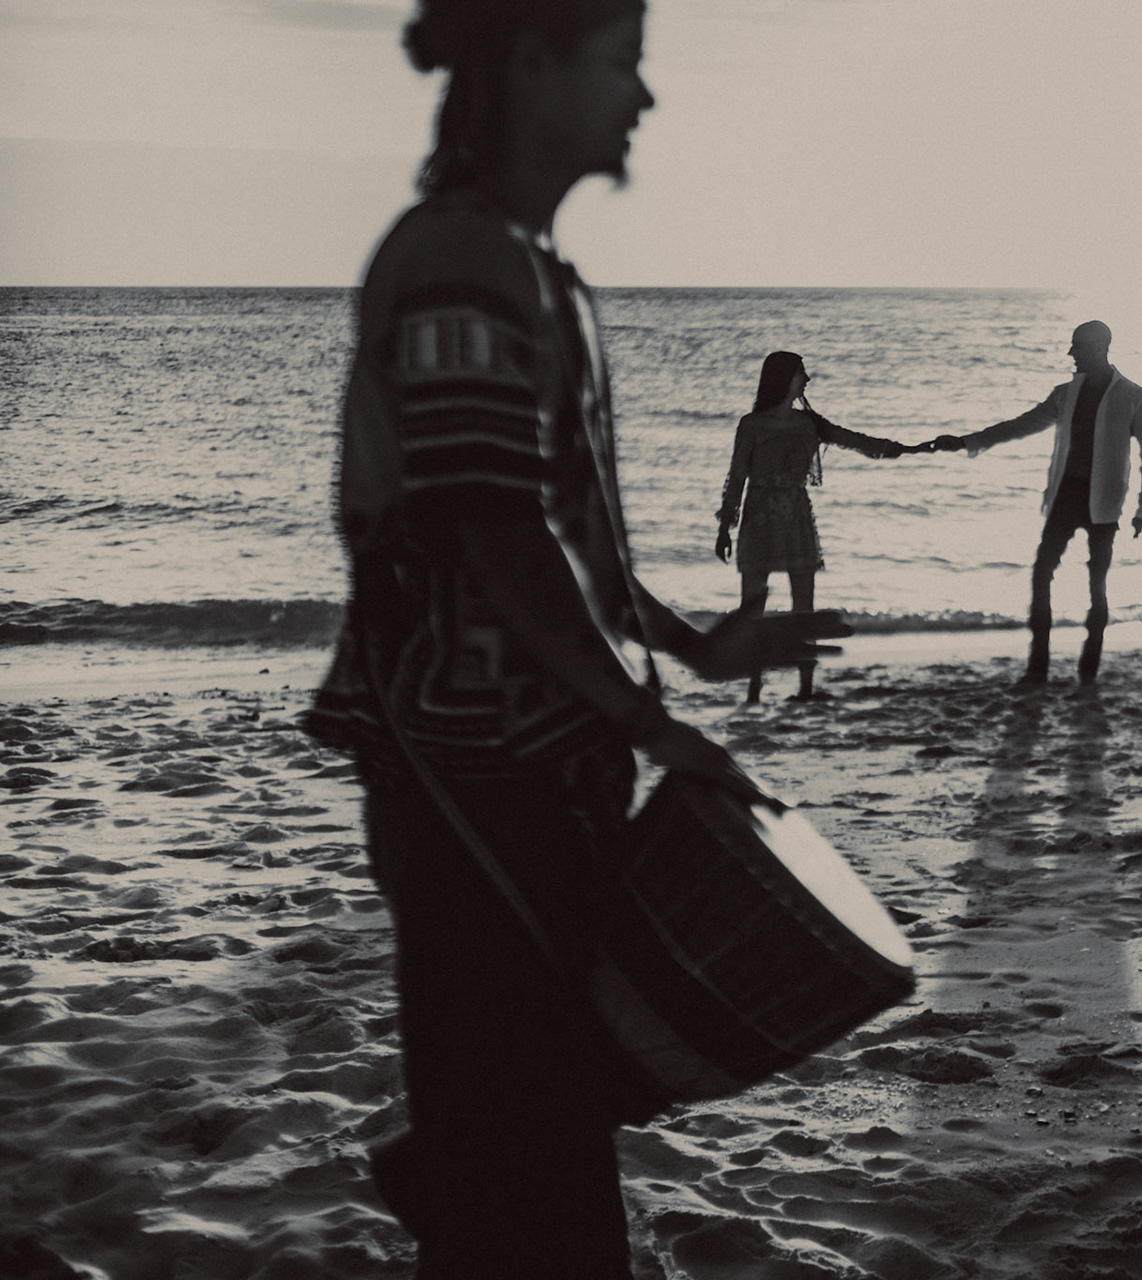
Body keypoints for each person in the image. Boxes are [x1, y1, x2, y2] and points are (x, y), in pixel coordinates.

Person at [302, 3, 848, 1275]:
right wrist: (656, 723)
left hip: (532, 769)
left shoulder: (534, 269)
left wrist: (697, 652)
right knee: (520, 1165)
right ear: (532, 62)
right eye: (623, 63)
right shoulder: (460, 257)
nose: (643, 99)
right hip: (471, 775)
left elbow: (571, 554)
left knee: (532, 1135)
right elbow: (488, 529)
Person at [934, 320, 1142, 686]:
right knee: (1041, 574)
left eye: (1077, 347)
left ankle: (1089, 668)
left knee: (1096, 585)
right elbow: (1020, 425)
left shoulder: (1135, 396)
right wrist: (964, 441)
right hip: (1064, 496)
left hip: (1105, 502)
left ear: (1100, 347)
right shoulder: (1064, 394)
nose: (1071, 353)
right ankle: (1038, 667)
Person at [715, 351, 911, 702]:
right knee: (754, 610)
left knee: (801, 609)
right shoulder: (751, 425)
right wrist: (723, 528)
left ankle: (803, 688)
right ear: (783, 379)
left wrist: (900, 448)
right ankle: (756, 688)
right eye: (801, 373)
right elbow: (737, 478)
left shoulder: (810, 424)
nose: (806, 379)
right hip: (763, 518)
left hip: (792, 517)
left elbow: (855, 441)